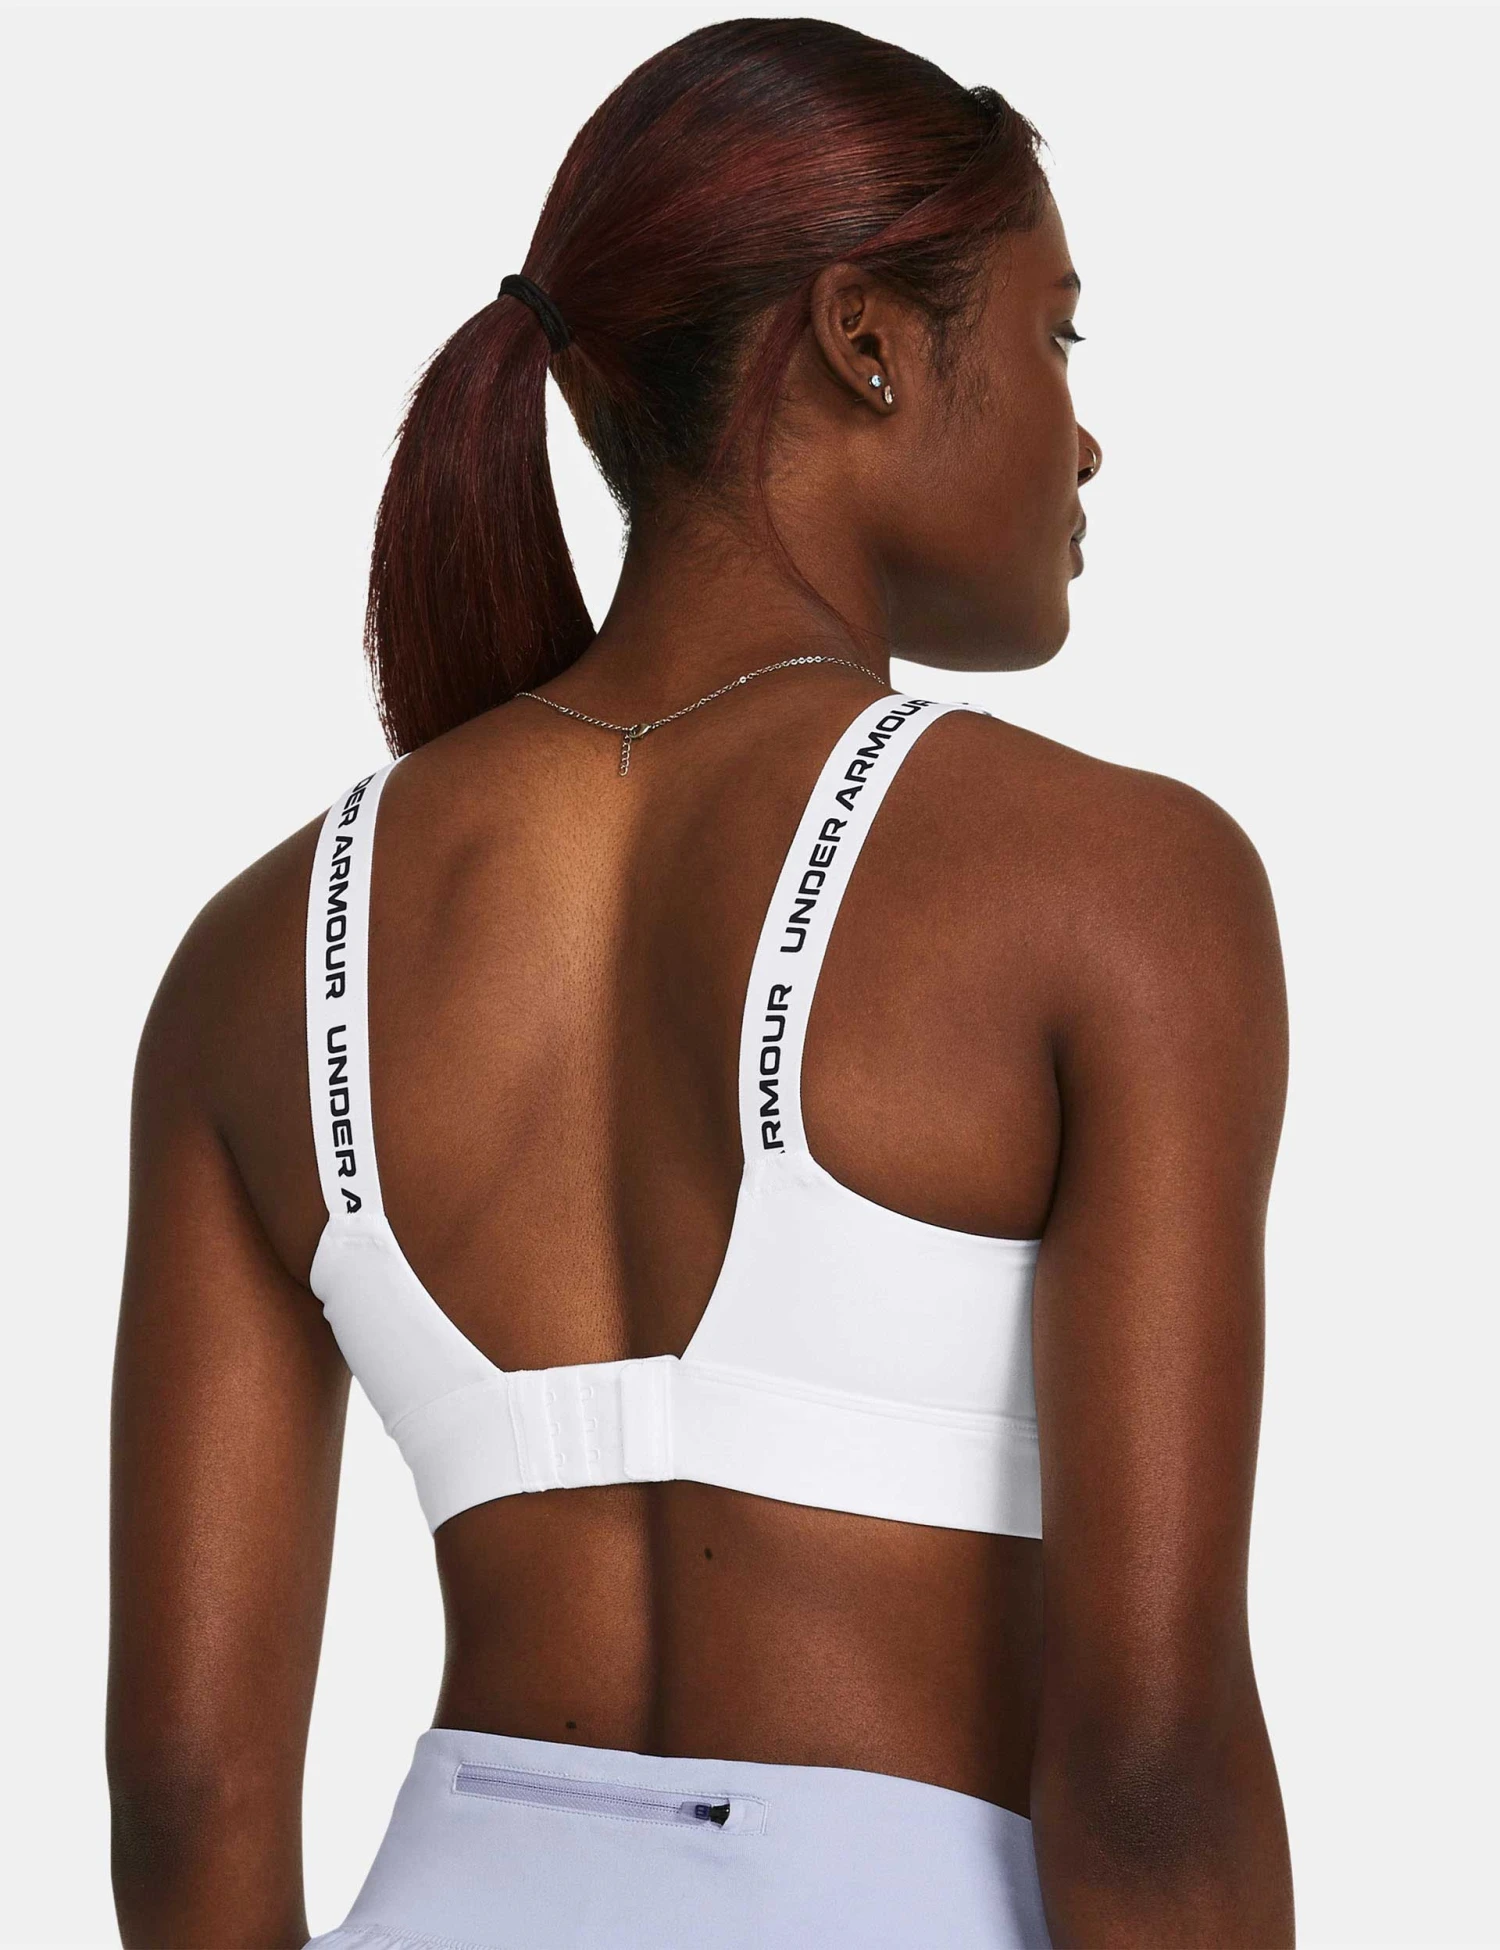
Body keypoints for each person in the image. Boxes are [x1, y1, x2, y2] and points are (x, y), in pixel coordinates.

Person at [107, 18, 1294, 1948]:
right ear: (865, 339)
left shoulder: (256, 956)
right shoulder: (1120, 885)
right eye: (1059, 334)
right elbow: (1152, 1768)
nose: (1083, 433)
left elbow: (185, 1793)